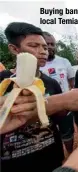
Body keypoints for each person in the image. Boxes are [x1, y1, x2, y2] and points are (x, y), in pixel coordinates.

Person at [0, 22, 70, 172]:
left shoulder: (51, 83)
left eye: (45, 47)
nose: (43, 51)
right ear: (14, 49)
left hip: (51, 158)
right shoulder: (2, 82)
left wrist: (66, 104)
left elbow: (59, 119)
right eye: (33, 46)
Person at [40, 31, 75, 154]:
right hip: (43, 109)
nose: (50, 47)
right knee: (48, 135)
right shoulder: (36, 64)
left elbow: (72, 83)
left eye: (52, 44)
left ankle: (70, 153)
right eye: (46, 44)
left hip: (65, 107)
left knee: (68, 133)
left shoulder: (64, 61)